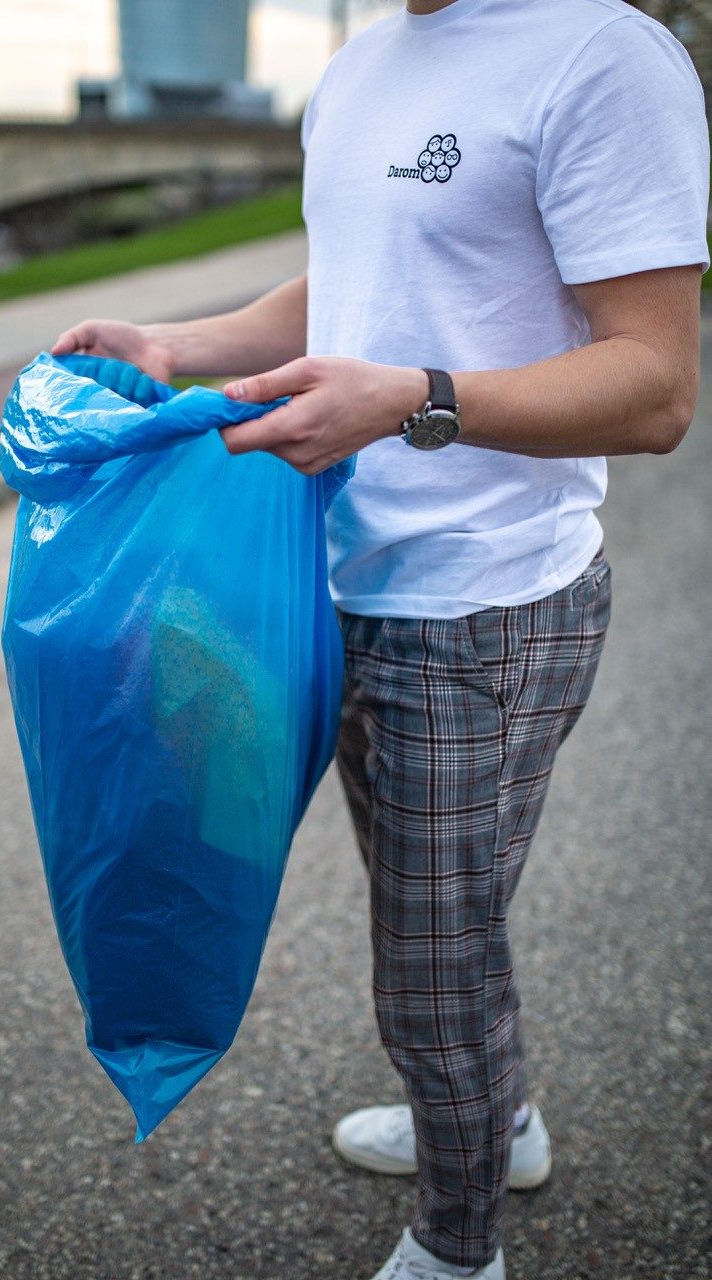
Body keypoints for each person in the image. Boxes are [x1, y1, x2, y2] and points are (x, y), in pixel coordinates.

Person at [51, 1, 709, 1274]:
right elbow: (348, 278)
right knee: (435, 920)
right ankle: (493, 1116)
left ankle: (461, 1246)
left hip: (486, 604)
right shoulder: (359, 70)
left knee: (427, 955)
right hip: (336, 578)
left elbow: (658, 383)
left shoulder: (602, 54)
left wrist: (414, 398)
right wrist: (179, 342)